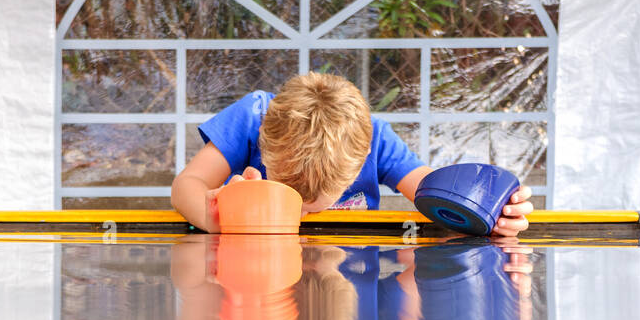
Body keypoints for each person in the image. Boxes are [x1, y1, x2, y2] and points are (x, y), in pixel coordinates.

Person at [170, 71, 534, 235]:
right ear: (264, 142)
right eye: (295, 201)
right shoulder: (253, 117)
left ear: (360, 161)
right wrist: (220, 216)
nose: (302, 215)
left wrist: (491, 211)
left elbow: (434, 192)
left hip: (347, 276)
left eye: (314, 206)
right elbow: (188, 183)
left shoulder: (374, 138)